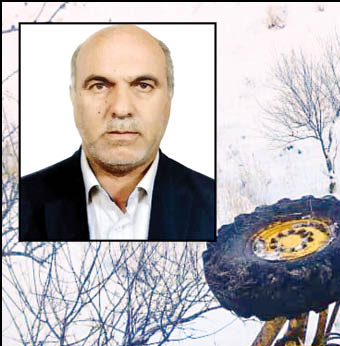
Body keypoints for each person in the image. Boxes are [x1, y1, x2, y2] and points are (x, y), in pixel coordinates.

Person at [19, 25, 215, 241]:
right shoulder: (20, 204)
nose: (121, 109)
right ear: (73, 97)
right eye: (99, 86)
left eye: (143, 85)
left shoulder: (214, 203)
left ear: (170, 96)